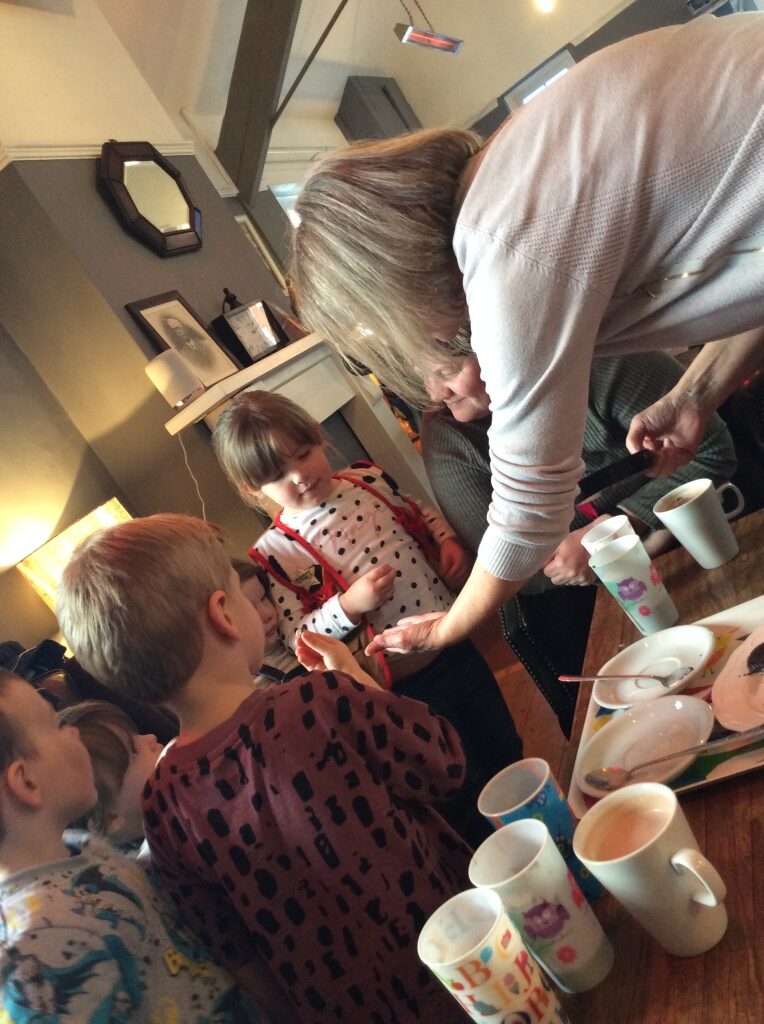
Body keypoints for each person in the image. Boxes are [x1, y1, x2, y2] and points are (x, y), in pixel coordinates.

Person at [288, 12, 764, 657]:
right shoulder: (510, 172)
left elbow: (530, 507)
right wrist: (694, 396)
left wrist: (447, 627)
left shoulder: (500, 242)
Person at [56, 513, 475, 1024]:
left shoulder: (163, 807)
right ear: (223, 615)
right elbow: (445, 762)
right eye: (241, 593)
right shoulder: (322, 700)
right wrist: (354, 679)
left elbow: (234, 952)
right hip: (456, 956)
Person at [212, 390, 522, 847]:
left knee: (502, 742)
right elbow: (302, 638)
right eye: (278, 475)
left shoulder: (368, 479)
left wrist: (445, 539)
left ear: (319, 437)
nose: (300, 475)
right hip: (398, 684)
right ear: (252, 490)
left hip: (452, 645)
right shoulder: (275, 553)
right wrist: (349, 606)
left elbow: (415, 510)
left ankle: (535, 820)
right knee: (456, 780)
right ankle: (494, 851)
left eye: (304, 454)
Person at [421, 346, 737, 735]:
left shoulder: (597, 356)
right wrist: (638, 491)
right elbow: (515, 568)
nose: (436, 392)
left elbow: (711, 453)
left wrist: (618, 523)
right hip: (594, 605)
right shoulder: (447, 436)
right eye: (422, 376)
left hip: (709, 544)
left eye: (447, 370)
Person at [0, 670, 268, 1023]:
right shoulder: (36, 950)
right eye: (54, 724)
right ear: (27, 782)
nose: (73, 731)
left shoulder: (79, 847)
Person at [231, 558, 306, 685]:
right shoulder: (246, 685)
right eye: (250, 609)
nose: (268, 614)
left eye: (263, 597)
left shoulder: (295, 630)